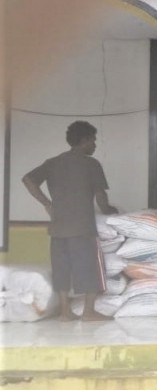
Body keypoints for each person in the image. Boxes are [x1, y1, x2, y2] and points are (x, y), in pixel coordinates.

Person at [22, 121, 118, 321]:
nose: (95, 144)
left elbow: (28, 180)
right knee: (91, 268)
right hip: (83, 228)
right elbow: (101, 197)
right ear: (83, 141)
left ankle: (65, 312)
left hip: (58, 228)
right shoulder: (91, 164)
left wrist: (47, 204)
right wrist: (110, 211)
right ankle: (89, 312)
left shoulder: (53, 162)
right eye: (93, 140)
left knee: (62, 269)